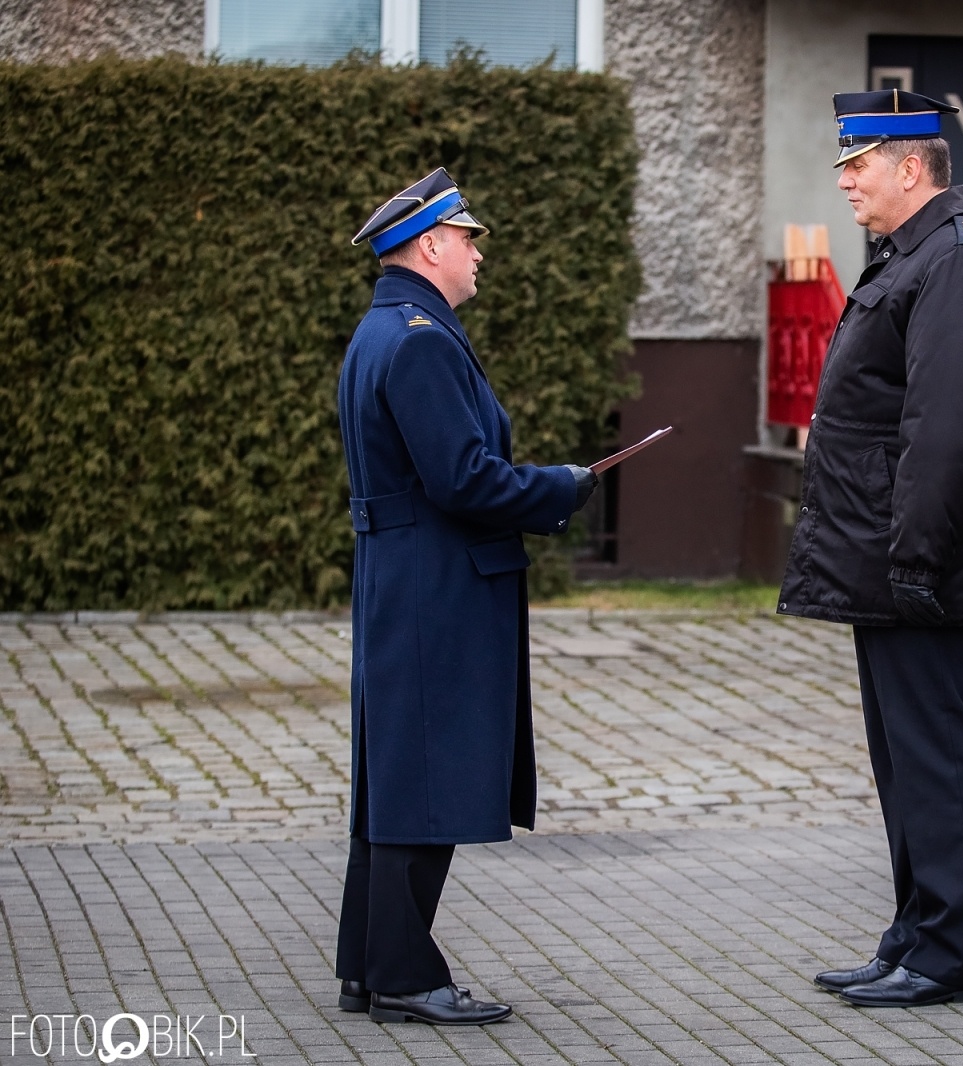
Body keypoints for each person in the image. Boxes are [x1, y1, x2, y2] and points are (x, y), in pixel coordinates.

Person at [780, 89, 963, 1007]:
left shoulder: (959, 264)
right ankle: (914, 932)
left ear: (912, 167)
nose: (845, 179)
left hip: (916, 560)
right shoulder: (915, 256)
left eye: (859, 163)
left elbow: (952, 427)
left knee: (936, 753)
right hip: (888, 558)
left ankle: (946, 953)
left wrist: (916, 557)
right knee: (904, 759)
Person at [337, 168, 597, 1026]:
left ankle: (371, 965)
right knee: (427, 779)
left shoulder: (389, 328)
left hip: (411, 579)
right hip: (434, 586)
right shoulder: (416, 338)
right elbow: (462, 479)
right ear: (431, 245)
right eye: (470, 238)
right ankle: (406, 976)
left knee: (401, 776)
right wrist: (557, 488)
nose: (479, 253)